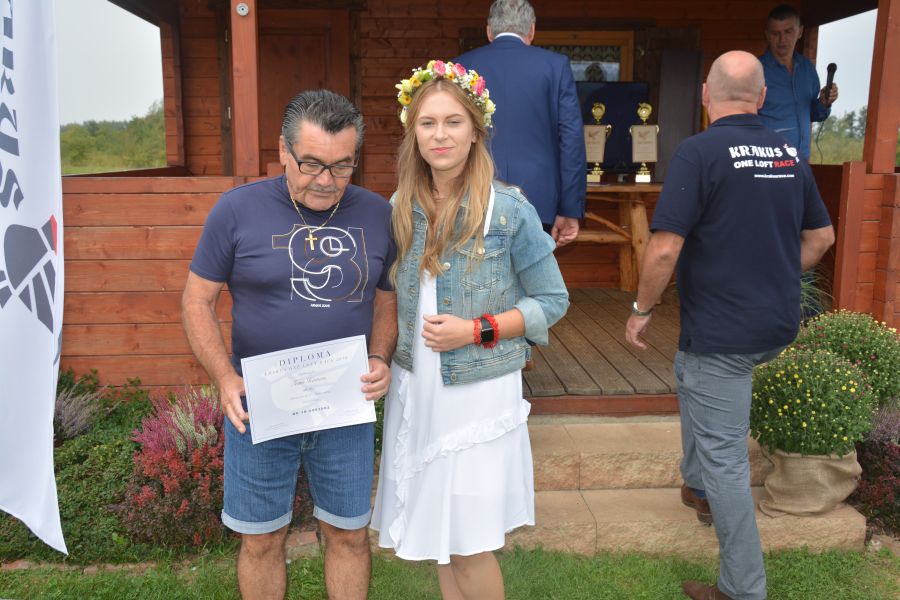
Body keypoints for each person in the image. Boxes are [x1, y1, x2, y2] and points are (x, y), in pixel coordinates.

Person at [625, 51, 835, 600]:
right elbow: (821, 239)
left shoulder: (698, 152)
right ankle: (697, 487)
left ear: (705, 94)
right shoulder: (788, 154)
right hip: (773, 326)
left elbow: (664, 248)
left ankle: (742, 589)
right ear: (762, 98)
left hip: (724, 336)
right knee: (688, 369)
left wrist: (641, 309)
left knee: (726, 459)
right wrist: (773, 274)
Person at [182, 89, 397, 600]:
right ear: (282, 149)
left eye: (342, 166)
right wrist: (225, 378)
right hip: (260, 407)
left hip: (344, 407)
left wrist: (379, 357)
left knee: (349, 534)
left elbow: (386, 300)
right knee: (261, 539)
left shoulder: (377, 213)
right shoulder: (236, 210)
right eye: (312, 164)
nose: (326, 180)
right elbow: (196, 301)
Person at [370, 60, 569, 600]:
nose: (441, 135)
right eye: (428, 123)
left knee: (469, 544)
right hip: (420, 388)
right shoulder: (400, 207)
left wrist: (477, 330)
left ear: (476, 130)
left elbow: (552, 301)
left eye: (453, 122)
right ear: (414, 133)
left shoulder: (509, 210)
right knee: (443, 535)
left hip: (477, 393)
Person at [455, 0, 586, 247]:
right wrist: (569, 208)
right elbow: (571, 139)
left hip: (474, 192)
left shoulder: (461, 68)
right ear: (532, 30)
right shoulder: (555, 66)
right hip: (538, 198)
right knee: (533, 271)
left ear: (489, 31)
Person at [758, 4, 839, 160]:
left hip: (802, 161)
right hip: (767, 163)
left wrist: (824, 102)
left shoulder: (807, 69)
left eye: (788, 32)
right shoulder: (755, 70)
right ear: (767, 35)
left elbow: (812, 113)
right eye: (776, 33)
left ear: (800, 31)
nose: (782, 39)